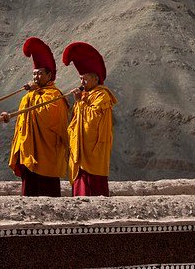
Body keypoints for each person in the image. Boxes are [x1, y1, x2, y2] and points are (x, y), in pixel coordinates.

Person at [8, 37, 70, 197]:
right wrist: (32, 94)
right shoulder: (32, 94)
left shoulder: (55, 96)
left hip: (46, 151)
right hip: (30, 149)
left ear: (49, 75)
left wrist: (34, 95)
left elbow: (49, 117)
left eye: (40, 74)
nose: (36, 77)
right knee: (29, 190)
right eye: (34, 74)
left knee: (47, 190)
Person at [63, 42, 117, 197]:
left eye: (84, 79)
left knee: (93, 190)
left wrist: (80, 101)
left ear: (95, 78)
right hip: (80, 150)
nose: (81, 82)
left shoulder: (102, 95)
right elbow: (76, 120)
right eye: (80, 79)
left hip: (93, 150)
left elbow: (93, 119)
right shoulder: (86, 95)